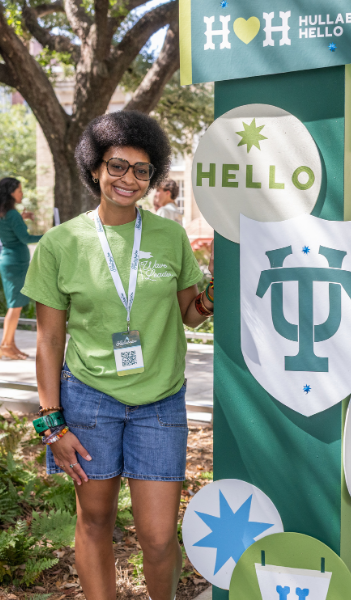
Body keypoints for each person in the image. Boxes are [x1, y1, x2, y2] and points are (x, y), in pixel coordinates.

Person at [21, 111, 214, 600]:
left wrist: (212, 297)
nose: (129, 178)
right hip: (89, 403)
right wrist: (51, 424)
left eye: (142, 170)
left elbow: (190, 315)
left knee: (156, 536)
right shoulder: (60, 245)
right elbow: (48, 341)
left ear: (153, 178)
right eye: (117, 166)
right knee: (95, 521)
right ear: (95, 169)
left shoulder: (170, 237)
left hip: (160, 403)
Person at [0, 177, 42, 360]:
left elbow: (9, 228)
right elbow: (26, 239)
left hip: (10, 261)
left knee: (15, 305)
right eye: (19, 190)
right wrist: (49, 235)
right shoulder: (12, 214)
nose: (22, 194)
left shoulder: (5, 212)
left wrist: (21, 218)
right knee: (15, 307)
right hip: (15, 263)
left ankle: (11, 344)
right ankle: (5, 345)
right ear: (10, 192)